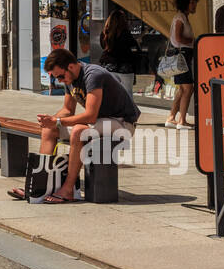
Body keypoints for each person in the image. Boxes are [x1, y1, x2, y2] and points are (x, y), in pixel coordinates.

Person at [12, 48, 140, 203]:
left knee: (79, 131)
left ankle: (68, 189)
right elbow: (67, 110)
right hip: (102, 121)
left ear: (70, 67)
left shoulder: (93, 75)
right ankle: (39, 186)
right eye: (56, 78)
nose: (59, 80)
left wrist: (58, 122)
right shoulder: (69, 79)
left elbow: (90, 116)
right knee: (49, 131)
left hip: (122, 122)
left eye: (60, 76)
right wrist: (50, 121)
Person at [163, 0, 198, 130]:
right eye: (192, 2)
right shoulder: (180, 18)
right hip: (182, 55)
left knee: (183, 88)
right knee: (188, 88)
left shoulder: (183, 17)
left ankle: (172, 117)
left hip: (184, 56)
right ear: (185, 3)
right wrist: (192, 41)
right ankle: (182, 121)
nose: (194, 5)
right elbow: (178, 38)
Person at [97, 9, 140, 93]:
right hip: (125, 67)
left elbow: (103, 47)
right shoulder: (126, 34)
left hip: (108, 67)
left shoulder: (105, 34)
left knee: (110, 94)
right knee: (127, 94)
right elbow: (135, 48)